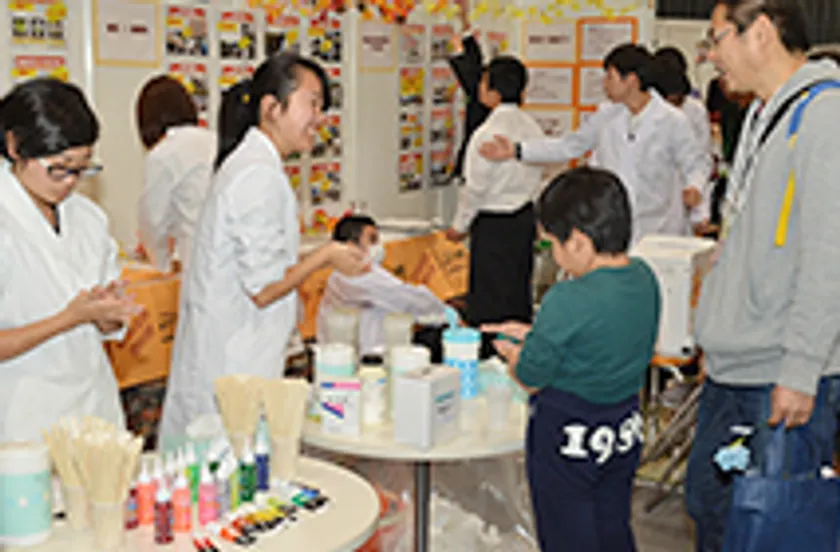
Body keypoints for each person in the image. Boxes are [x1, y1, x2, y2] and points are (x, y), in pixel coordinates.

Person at [689, 1, 840, 550]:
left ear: (760, 33)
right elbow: (739, 238)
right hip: (737, 363)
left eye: (717, 38)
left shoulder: (824, 115)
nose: (710, 55)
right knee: (710, 507)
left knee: (771, 526)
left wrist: (800, 370)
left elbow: (829, 255)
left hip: (782, 373)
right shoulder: (762, 113)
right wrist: (713, 331)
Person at [160, 53, 369, 443]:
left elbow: (265, 268)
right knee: (228, 462)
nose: (320, 118)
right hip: (232, 361)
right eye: (312, 104)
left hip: (236, 353)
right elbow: (264, 289)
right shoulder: (257, 173)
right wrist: (326, 255)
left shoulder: (256, 164)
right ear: (272, 108)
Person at [485, 167, 660, 551]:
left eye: (553, 245)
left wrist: (517, 353)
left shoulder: (567, 297)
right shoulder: (644, 277)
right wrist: (540, 337)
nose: (554, 255)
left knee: (567, 533)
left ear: (579, 242)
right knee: (612, 524)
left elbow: (531, 375)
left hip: (568, 436)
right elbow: (604, 338)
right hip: (622, 429)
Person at [0, 78, 139, 443]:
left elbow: (105, 323)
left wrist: (109, 314)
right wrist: (69, 318)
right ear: (14, 146)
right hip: (21, 418)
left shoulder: (88, 217)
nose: (69, 182)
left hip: (93, 405)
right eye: (59, 168)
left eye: (81, 169)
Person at [479, 44, 711, 244]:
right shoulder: (606, 115)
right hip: (612, 222)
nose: (604, 84)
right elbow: (570, 146)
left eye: (610, 77)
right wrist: (518, 150)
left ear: (631, 80)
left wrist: (694, 187)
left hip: (657, 225)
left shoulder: (672, 120)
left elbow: (696, 163)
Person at [445, 56, 544, 350]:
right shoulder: (532, 128)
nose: (479, 87)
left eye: (483, 82)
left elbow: (475, 189)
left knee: (489, 300)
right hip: (523, 219)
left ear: (494, 92)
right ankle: (518, 353)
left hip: (492, 224)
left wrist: (459, 226)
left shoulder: (486, 134)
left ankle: (490, 355)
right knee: (517, 293)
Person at [317, 215, 450, 356]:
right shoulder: (359, 278)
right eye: (372, 240)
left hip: (345, 352)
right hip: (366, 356)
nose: (378, 246)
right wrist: (446, 313)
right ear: (351, 246)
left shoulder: (341, 274)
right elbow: (409, 299)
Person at [135, 75, 216, 272]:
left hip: (200, 264)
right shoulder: (214, 140)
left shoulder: (163, 154)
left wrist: (161, 264)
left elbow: (153, 221)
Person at [447, 4, 490, 180]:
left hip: (477, 174)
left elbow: (473, 78)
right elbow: (475, 70)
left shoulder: (484, 104)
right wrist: (465, 24)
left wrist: (460, 50)